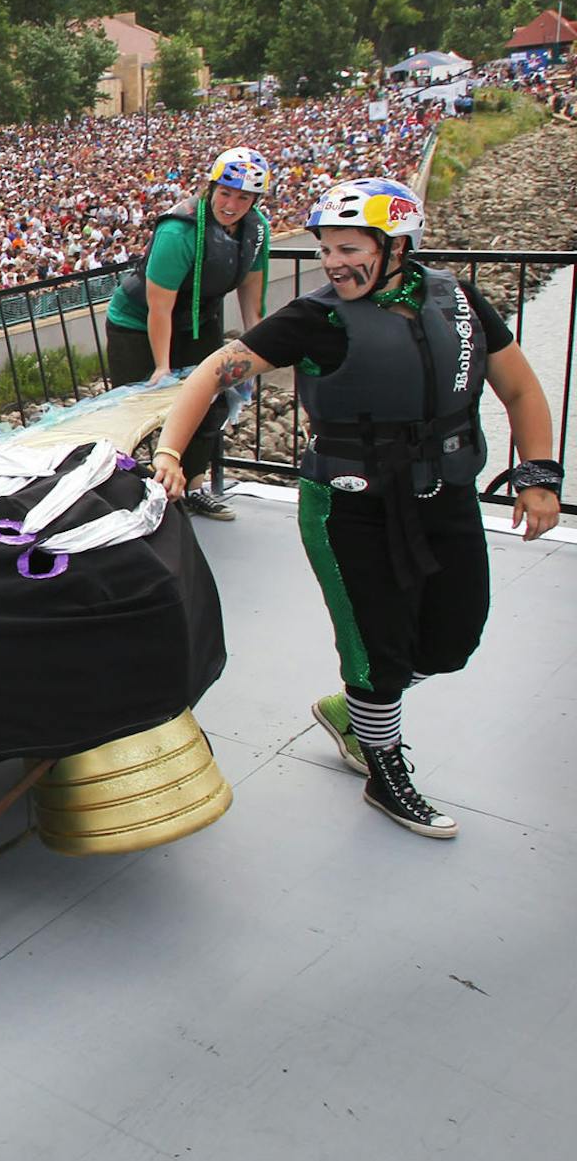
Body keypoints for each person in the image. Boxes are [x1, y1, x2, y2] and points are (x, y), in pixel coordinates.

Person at [151, 177, 562, 839]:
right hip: (350, 508)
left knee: (453, 638)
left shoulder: (457, 301)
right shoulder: (316, 317)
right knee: (377, 648)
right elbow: (213, 372)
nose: (332, 262)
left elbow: (519, 386)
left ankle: (353, 712)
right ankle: (383, 767)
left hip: (444, 494)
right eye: (326, 248)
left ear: (398, 244)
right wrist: (172, 451)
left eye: (349, 247)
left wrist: (538, 473)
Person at [105, 147, 274, 521]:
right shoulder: (179, 231)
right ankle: (128, 492)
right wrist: (162, 367)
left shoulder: (257, 230)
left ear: (254, 200)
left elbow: (252, 296)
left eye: (243, 197)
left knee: (208, 402)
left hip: (200, 318)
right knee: (136, 405)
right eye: (225, 193)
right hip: (139, 320)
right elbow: (159, 307)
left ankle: (193, 486)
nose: (231, 204)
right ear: (211, 187)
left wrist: (260, 350)